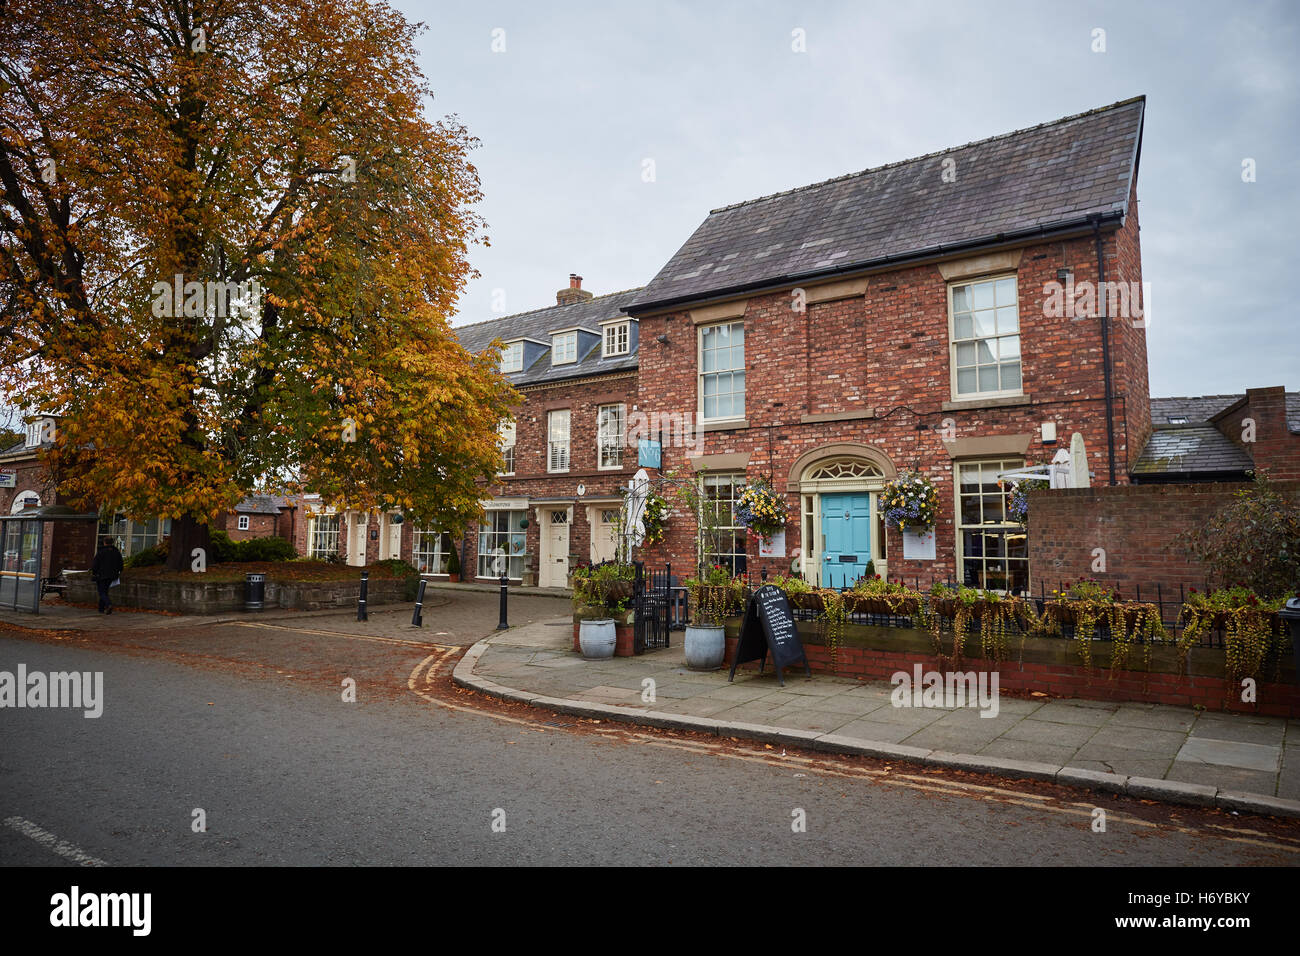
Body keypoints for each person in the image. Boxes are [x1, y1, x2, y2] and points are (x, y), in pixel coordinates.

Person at [91, 536, 124, 614]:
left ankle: (108, 604)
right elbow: (120, 564)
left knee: (101, 592)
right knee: (105, 591)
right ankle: (101, 609)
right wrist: (118, 572)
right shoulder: (116, 552)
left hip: (101, 575)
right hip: (112, 575)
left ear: (104, 542)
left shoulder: (101, 551)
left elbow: (95, 564)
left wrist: (94, 572)